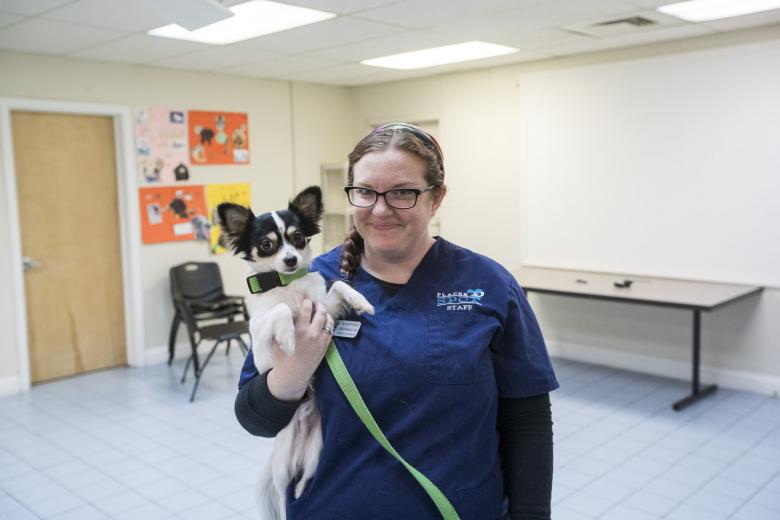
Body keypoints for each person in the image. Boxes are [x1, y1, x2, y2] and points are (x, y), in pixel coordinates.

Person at [235, 123, 558, 519]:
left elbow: (527, 420)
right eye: (366, 192)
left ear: (436, 198)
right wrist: (296, 368)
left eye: (403, 192)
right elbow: (254, 417)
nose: (381, 209)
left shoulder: (488, 284)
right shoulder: (307, 284)